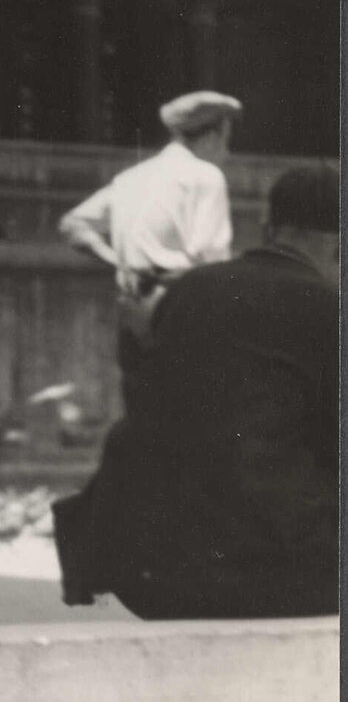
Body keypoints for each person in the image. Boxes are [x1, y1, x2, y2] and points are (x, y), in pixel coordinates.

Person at [51, 166, 338, 620]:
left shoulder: (191, 288)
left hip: (148, 568)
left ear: (267, 230)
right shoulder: (330, 309)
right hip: (262, 574)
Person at [58, 91, 240, 360]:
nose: (226, 152)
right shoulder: (206, 176)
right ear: (214, 136)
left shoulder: (130, 179)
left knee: (143, 397)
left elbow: (72, 224)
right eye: (226, 140)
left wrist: (117, 262)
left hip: (133, 312)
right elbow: (209, 259)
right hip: (182, 311)